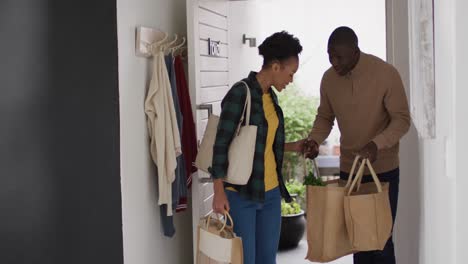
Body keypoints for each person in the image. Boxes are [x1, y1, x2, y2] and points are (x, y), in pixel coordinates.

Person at [303, 26, 411, 264]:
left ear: (355, 52)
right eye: (329, 55)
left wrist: (377, 145)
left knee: (380, 240)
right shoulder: (329, 79)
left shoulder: (385, 73)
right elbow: (325, 117)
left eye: (339, 56)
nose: (333, 61)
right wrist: (314, 140)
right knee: (357, 241)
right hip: (349, 171)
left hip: (382, 171)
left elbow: (402, 120)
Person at [210, 31, 304, 264]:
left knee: (267, 260)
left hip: (270, 193)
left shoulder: (271, 97)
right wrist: (218, 191)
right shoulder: (240, 93)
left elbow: (265, 144)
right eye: (290, 73)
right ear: (275, 66)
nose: (291, 80)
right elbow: (220, 143)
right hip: (241, 194)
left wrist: (295, 146)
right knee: (245, 260)